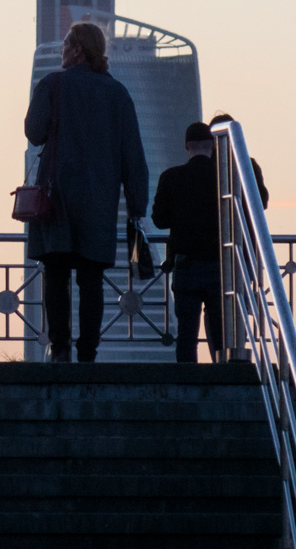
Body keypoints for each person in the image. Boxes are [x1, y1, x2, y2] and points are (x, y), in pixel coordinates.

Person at [25, 21, 149, 363]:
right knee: (91, 280)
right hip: (99, 201)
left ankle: (60, 349)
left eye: (66, 44)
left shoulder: (53, 84)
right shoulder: (118, 94)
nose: (62, 50)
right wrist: (138, 204)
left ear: (78, 49)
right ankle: (88, 353)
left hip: (57, 198)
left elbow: (34, 133)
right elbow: (133, 155)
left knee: (56, 275)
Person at [152, 122, 223, 363]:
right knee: (221, 335)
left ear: (186, 147)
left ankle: (188, 384)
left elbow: (159, 220)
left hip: (185, 265)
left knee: (186, 335)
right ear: (212, 146)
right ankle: (224, 380)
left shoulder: (171, 177)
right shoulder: (224, 178)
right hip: (219, 264)